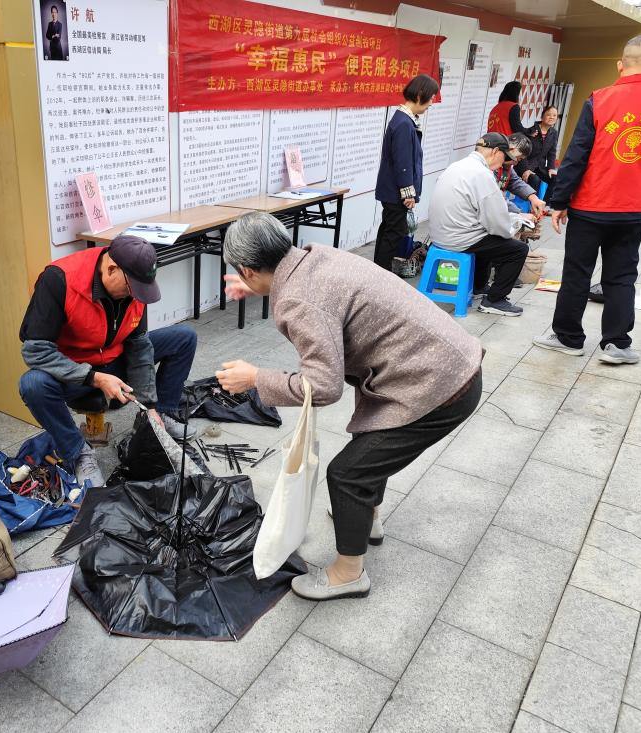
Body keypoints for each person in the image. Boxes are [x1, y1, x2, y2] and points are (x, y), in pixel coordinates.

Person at [215, 212, 482, 601]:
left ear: (248, 270)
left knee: (347, 474)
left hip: (438, 387)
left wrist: (256, 378)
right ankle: (365, 517)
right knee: (372, 439)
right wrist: (257, 284)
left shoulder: (298, 300)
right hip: (445, 362)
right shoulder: (314, 256)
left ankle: (348, 573)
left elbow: (323, 387)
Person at [19, 236, 197, 486]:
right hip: (75, 371)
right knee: (32, 384)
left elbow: (139, 344)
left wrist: (149, 405)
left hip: (115, 358)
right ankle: (78, 453)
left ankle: (160, 418)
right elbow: (35, 351)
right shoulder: (59, 280)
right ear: (111, 269)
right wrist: (94, 378)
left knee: (184, 337)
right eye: (131, 288)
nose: (134, 295)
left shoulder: (134, 283)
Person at [534, 34, 641, 365]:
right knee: (622, 276)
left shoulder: (600, 99)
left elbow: (577, 155)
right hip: (635, 209)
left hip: (589, 207)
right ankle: (617, 344)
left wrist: (559, 202)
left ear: (620, 64)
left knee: (577, 272)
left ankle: (568, 337)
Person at [428, 133, 531, 316]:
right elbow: (497, 223)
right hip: (458, 238)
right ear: (496, 151)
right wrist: (513, 228)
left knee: (486, 238)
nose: (505, 163)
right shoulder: (482, 174)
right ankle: (494, 300)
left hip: (439, 235)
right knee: (517, 249)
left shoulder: (457, 165)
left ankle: (479, 286)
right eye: (504, 157)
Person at [372, 74, 441, 270]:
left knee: (389, 230)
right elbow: (402, 163)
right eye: (431, 97)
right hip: (395, 191)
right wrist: (408, 193)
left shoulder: (403, 120)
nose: (431, 103)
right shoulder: (403, 123)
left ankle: (377, 271)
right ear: (420, 95)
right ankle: (381, 274)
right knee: (394, 233)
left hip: (391, 190)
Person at [500, 132, 546, 218]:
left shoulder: (506, 167)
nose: (516, 163)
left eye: (519, 160)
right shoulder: (488, 169)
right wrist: (519, 214)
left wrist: (533, 198)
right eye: (516, 158)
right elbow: (496, 200)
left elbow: (515, 182)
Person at [517, 106, 560, 191]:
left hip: (540, 167)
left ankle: (546, 200)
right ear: (542, 117)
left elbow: (552, 153)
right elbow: (522, 152)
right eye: (549, 115)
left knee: (555, 178)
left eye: (554, 115)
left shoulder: (554, 133)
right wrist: (526, 169)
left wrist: (551, 168)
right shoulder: (531, 131)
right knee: (534, 180)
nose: (552, 117)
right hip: (526, 165)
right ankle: (531, 199)